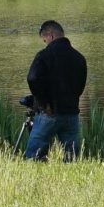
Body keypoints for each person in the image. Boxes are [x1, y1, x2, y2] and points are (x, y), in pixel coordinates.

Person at [24, 20, 87, 161]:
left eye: (45, 40)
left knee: (34, 156)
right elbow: (81, 85)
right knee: (72, 157)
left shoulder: (44, 55)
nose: (45, 43)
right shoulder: (79, 58)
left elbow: (32, 78)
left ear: (51, 36)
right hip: (71, 113)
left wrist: (43, 103)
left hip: (49, 113)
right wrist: (72, 100)